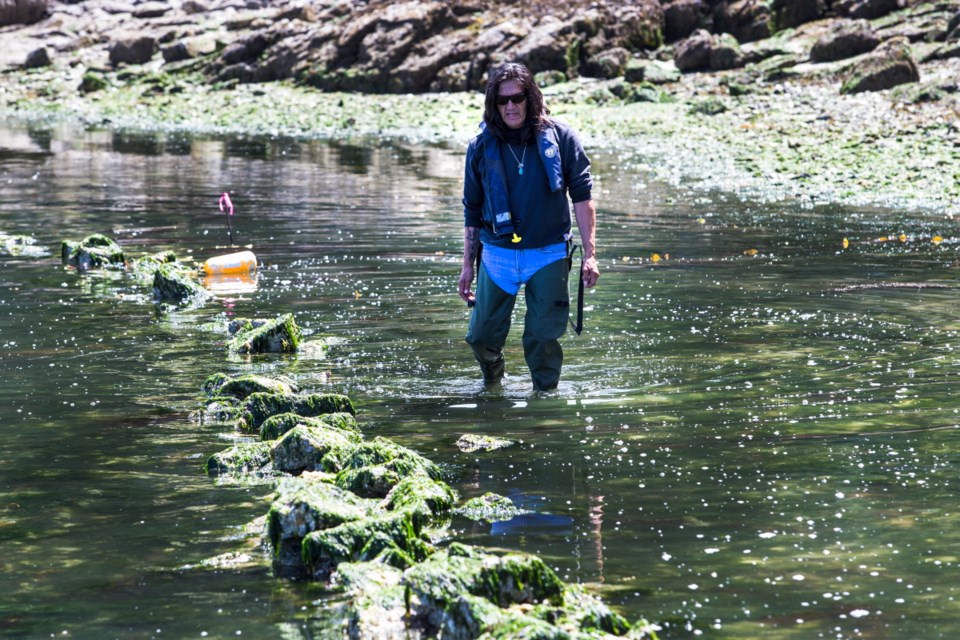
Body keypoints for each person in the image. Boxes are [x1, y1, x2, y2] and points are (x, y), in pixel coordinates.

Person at [458, 62, 599, 393]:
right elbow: (472, 209)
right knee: (481, 338)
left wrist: (590, 255)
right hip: (496, 255)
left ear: (531, 98)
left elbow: (583, 197)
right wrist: (467, 265)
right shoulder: (480, 145)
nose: (510, 106)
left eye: (518, 98)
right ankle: (493, 381)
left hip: (548, 254)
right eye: (502, 101)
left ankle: (545, 409)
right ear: (493, 104)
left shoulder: (562, 138)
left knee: (543, 341)